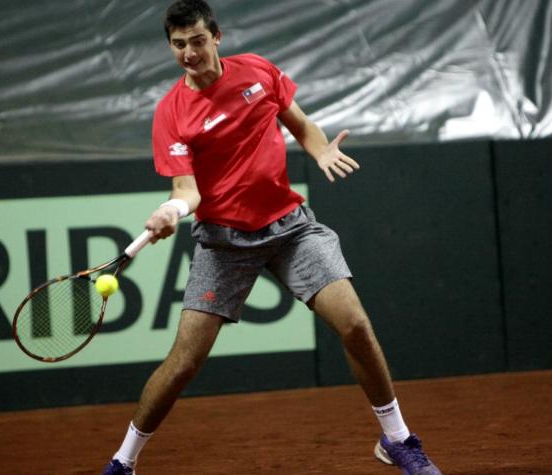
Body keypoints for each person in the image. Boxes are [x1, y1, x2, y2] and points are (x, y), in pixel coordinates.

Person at [103, 1, 442, 474]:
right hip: (223, 244)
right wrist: (171, 209)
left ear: (216, 37)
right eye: (178, 45)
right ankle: (124, 461)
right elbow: (187, 190)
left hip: (290, 229)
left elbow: (298, 121)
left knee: (355, 325)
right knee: (182, 364)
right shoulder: (171, 114)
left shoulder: (257, 72)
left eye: (197, 41)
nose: (188, 53)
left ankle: (398, 440)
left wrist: (320, 149)